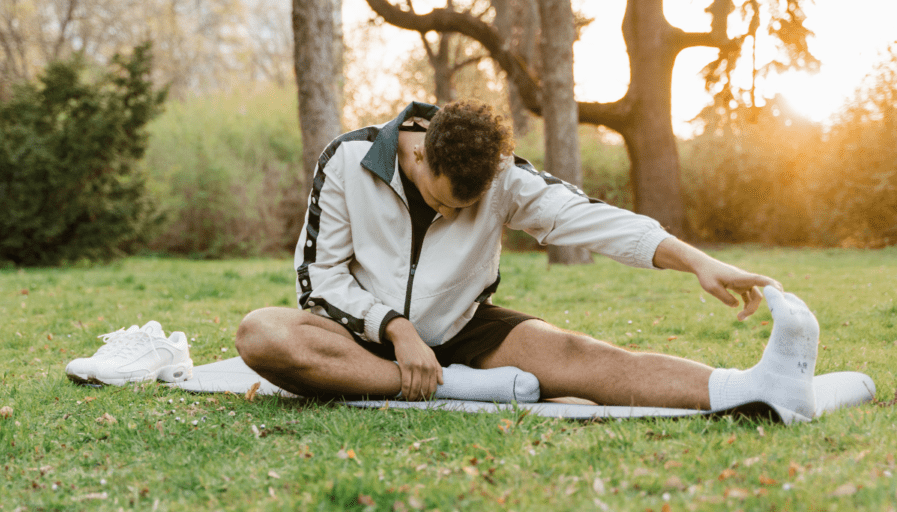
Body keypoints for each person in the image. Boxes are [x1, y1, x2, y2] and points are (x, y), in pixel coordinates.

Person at [235, 100, 819, 422]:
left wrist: (696, 262)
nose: (450, 212)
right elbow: (319, 281)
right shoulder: (347, 160)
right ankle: (455, 389)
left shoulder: (503, 176)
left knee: (581, 355)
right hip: (360, 339)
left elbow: (593, 219)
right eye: (441, 199)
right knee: (263, 333)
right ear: (418, 154)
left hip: (464, 330)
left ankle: (753, 387)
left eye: (464, 207)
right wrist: (395, 327)